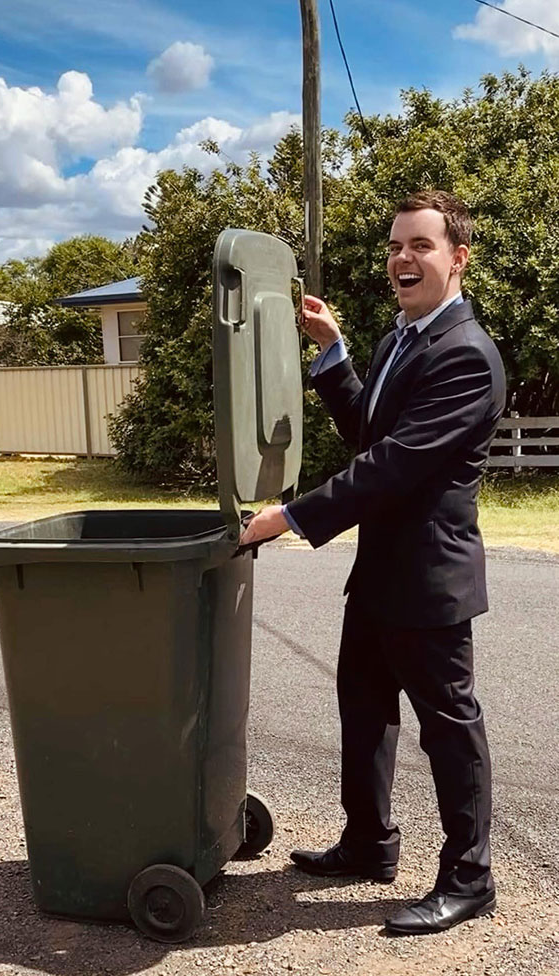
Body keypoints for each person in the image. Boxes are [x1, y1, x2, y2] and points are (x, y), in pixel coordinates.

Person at [241, 190, 506, 935]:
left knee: (450, 728)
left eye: (420, 245)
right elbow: (368, 429)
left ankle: (471, 878)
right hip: (379, 577)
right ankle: (369, 844)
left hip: (429, 582)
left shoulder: (465, 355)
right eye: (395, 246)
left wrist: (288, 517)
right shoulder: (402, 339)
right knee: (363, 712)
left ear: (457, 257)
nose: (402, 258)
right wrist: (334, 352)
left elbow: (392, 465)